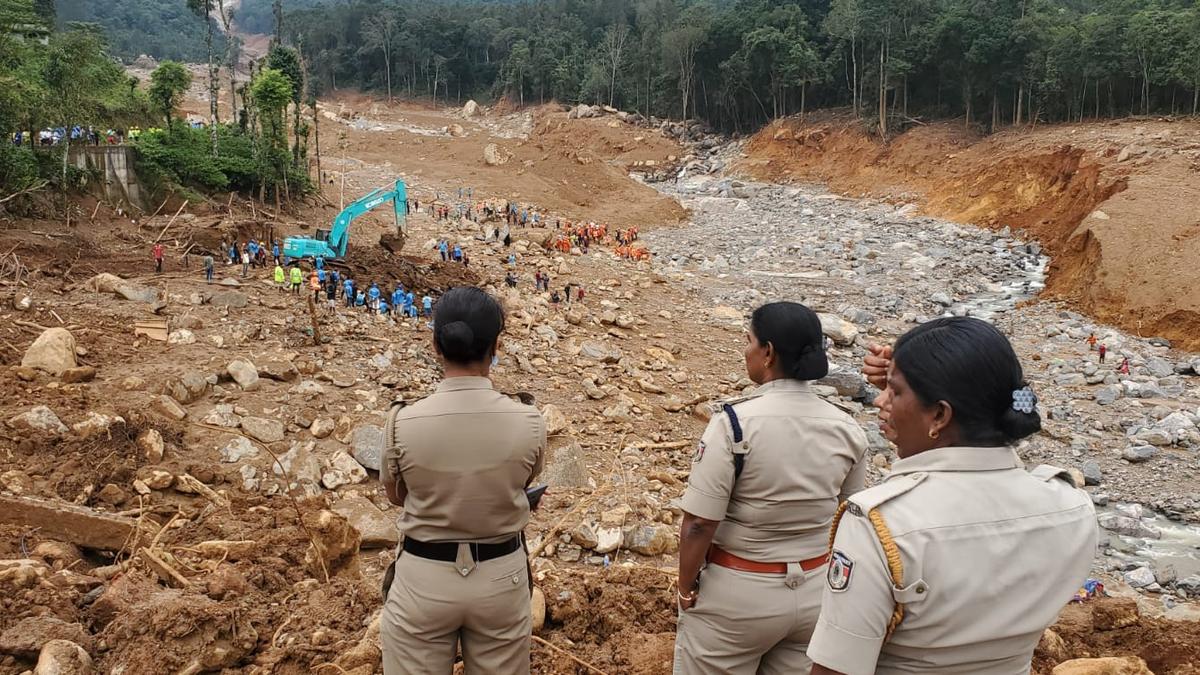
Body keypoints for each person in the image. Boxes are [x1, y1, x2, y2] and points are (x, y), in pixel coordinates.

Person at [808, 318, 1096, 674]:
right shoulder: (1072, 507)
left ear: (941, 414)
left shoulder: (880, 526)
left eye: (893, 392)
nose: (880, 400)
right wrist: (911, 385)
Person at [673, 303, 868, 675]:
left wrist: (685, 586)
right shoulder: (847, 427)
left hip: (739, 591)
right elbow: (848, 517)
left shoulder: (733, 423)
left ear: (768, 353)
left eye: (748, 341)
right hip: (814, 589)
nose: (744, 349)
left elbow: (699, 523)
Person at [380, 287, 545, 675]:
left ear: (436, 345)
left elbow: (395, 496)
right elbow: (525, 480)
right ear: (496, 345)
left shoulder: (402, 422)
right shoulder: (528, 420)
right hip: (501, 574)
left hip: (423, 575)